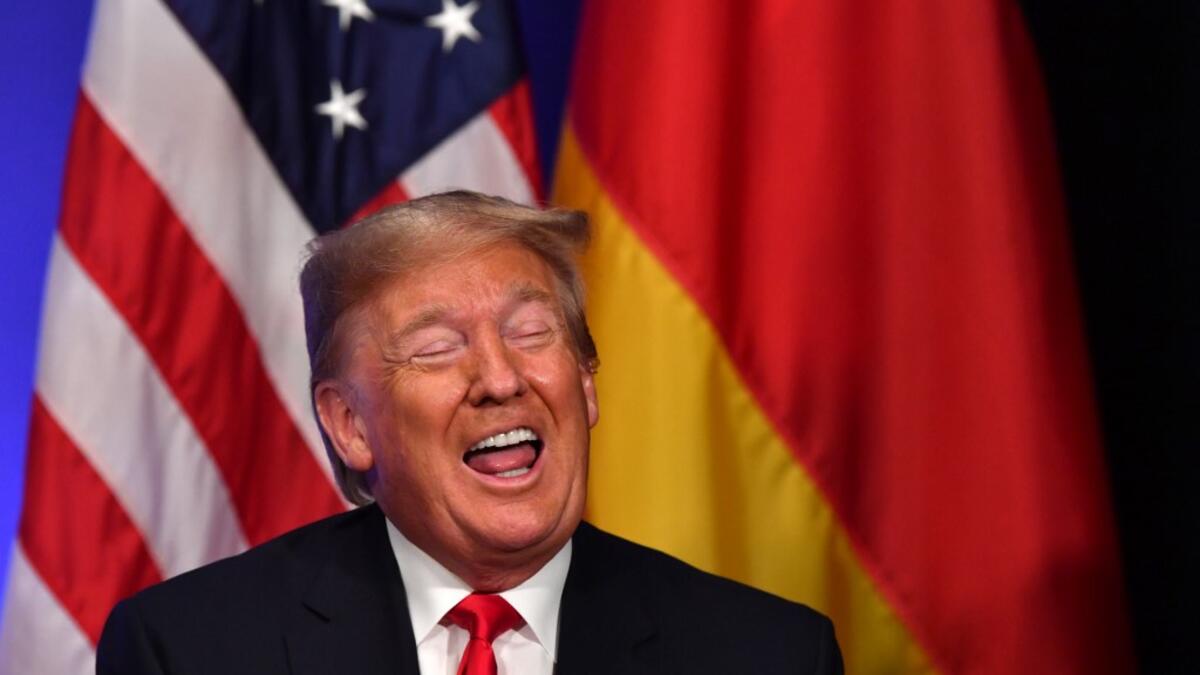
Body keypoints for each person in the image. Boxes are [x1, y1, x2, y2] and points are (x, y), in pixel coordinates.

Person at [97, 191, 843, 674]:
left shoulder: (767, 655)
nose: (501, 378)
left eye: (531, 332)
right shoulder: (189, 651)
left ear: (586, 382)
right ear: (350, 424)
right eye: (436, 349)